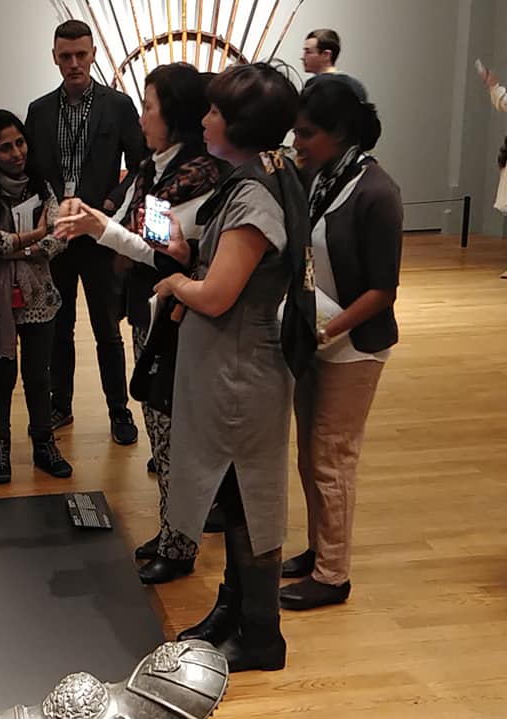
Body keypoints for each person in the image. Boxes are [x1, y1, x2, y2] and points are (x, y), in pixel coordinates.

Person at [155, 63, 315, 672]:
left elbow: (219, 294)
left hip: (242, 371)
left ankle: (260, 632)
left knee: (250, 499)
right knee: (237, 494)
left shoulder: (252, 194)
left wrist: (177, 280)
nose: (203, 119)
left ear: (241, 126)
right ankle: (235, 607)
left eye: (215, 112)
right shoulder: (260, 174)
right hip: (234, 364)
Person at [53, 63, 221, 584]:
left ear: (175, 117)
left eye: (149, 107)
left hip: (183, 316)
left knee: (178, 432)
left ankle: (180, 541)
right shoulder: (156, 167)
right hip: (151, 310)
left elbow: (161, 255)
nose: (142, 116)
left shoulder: (200, 177)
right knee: (159, 425)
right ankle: (173, 527)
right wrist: (96, 218)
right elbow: (133, 225)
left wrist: (96, 226)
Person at [279, 80, 403, 610]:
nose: (296, 141)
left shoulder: (377, 192)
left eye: (306, 133)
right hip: (317, 335)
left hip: (353, 344)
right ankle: (318, 549)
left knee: (333, 456)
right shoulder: (320, 177)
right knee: (310, 453)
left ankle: (333, 574)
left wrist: (328, 329)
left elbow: (383, 290)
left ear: (339, 133)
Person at [25, 19, 147, 444]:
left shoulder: (119, 105)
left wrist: (109, 206)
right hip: (58, 236)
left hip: (99, 231)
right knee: (58, 327)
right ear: (54, 57)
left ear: (93, 54)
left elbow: (140, 166)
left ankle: (119, 409)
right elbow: (33, 170)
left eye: (81, 54)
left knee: (107, 328)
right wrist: (51, 205)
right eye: (65, 56)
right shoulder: (39, 111)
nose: (74, 63)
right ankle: (61, 404)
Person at [0, 110, 72, 484]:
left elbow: (59, 237)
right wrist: (33, 239)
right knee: (2, 375)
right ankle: (0, 446)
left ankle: (44, 444)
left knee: (38, 377)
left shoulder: (41, 184)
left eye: (20, 142)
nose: (16, 153)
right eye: (5, 147)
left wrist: (19, 249)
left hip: (40, 296)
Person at [301, 28, 367, 101]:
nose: (303, 57)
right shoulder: (357, 86)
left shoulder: (314, 86)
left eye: (308, 52)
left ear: (326, 55)